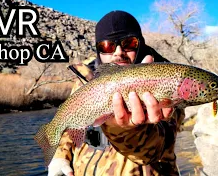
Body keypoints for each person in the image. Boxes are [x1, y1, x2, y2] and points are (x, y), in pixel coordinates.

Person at [47, 10, 185, 176]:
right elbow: (71, 123)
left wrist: (125, 130)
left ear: (140, 44)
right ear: (98, 50)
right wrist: (61, 155)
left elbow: (159, 148)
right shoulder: (84, 80)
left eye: (129, 43)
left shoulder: (170, 81)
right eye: (107, 46)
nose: (118, 52)